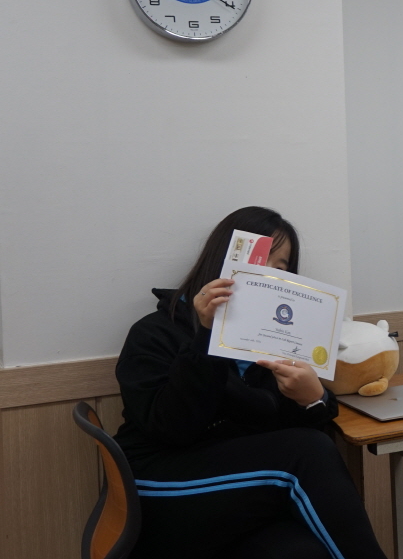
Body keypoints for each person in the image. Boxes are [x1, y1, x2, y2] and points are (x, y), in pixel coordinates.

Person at [114, 206, 387, 559]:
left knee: (305, 552)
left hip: (241, 487)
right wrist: (207, 337)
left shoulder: (272, 343)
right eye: (257, 260)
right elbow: (173, 429)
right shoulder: (155, 332)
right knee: (307, 452)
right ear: (223, 260)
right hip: (156, 487)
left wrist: (313, 399)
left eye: (281, 268)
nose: (268, 274)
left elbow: (281, 430)